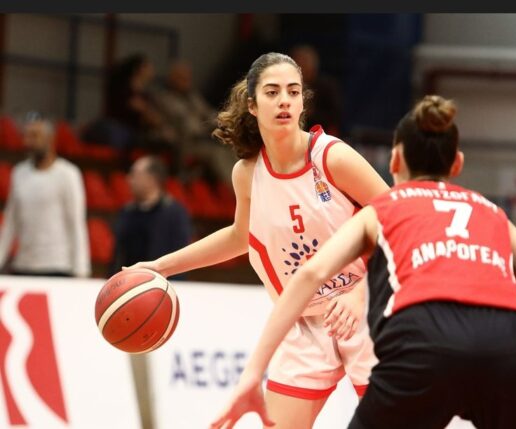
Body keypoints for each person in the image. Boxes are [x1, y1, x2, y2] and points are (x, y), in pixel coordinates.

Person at [212, 95, 516, 429]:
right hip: (509, 346)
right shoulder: (490, 212)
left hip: (426, 342)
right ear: (457, 164)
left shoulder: (385, 208)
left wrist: (253, 373)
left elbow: (312, 273)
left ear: (394, 161)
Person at [124, 52, 389, 428]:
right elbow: (240, 236)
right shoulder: (247, 174)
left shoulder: (331, 156)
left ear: (302, 103)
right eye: (272, 92)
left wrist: (359, 291)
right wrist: (159, 267)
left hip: (363, 309)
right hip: (302, 322)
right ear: (252, 104)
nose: (284, 101)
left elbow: (397, 217)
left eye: (293, 92)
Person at [0, 114, 90, 277]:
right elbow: (10, 222)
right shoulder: (19, 173)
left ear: (50, 138)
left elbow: (76, 222)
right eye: (26, 136)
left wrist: (81, 269)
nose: (29, 142)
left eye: (35, 136)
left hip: (57, 266)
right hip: (24, 264)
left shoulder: (68, 174)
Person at [152, 60, 237, 182]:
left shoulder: (192, 96)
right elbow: (185, 123)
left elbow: (208, 114)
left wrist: (225, 121)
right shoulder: (165, 98)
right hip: (186, 142)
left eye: (188, 78)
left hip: (204, 139)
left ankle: (246, 184)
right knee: (218, 153)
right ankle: (234, 187)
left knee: (233, 146)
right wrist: (206, 128)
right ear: (172, 79)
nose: (187, 81)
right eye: (182, 78)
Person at [111, 156, 192, 280]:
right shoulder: (127, 212)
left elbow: (180, 257)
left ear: (151, 179)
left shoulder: (174, 213)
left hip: (163, 284)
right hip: (129, 283)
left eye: (135, 175)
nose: (129, 179)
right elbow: (118, 256)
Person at [290, 45, 343, 136]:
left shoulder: (326, 87)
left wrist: (311, 112)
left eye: (304, 63)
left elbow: (336, 116)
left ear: (313, 66)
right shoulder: (285, 87)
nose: (300, 68)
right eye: (297, 64)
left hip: (320, 135)